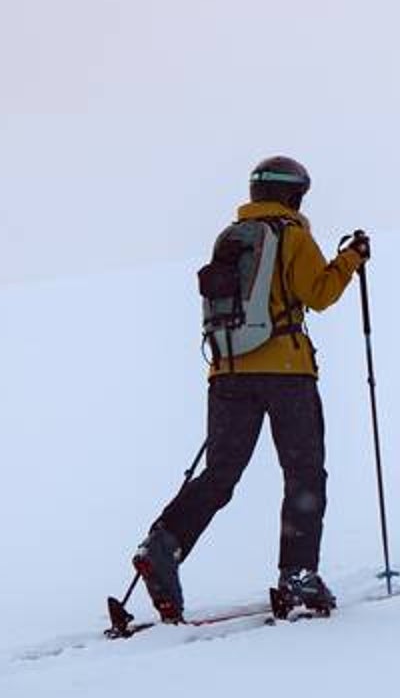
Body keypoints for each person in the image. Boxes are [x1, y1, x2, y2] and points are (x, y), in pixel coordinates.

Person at [131, 156, 372, 623]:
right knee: (304, 475)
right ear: (294, 195)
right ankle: (298, 575)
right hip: (286, 372)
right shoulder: (291, 235)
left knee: (220, 475)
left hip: (227, 372)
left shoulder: (231, 238)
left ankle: (162, 545)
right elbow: (319, 295)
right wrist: (352, 259)